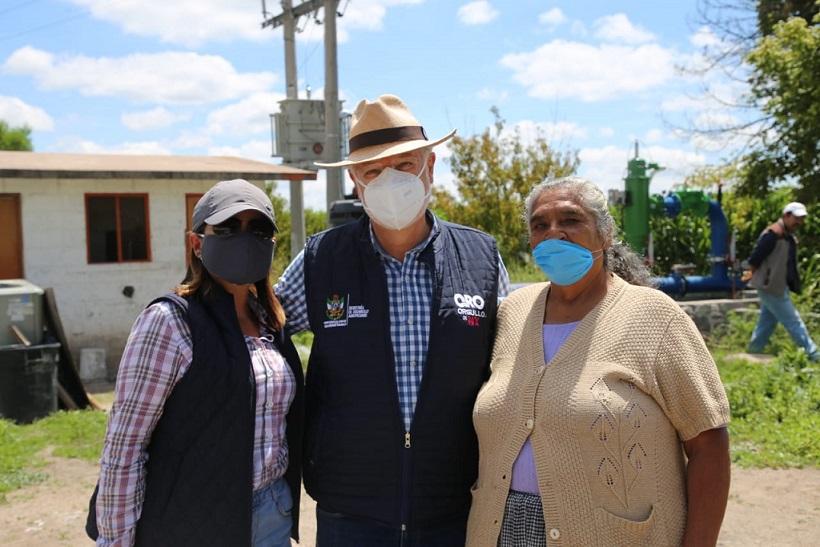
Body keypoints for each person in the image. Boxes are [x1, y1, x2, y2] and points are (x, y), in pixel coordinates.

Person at [275, 94, 509, 546]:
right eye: (373, 171)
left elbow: (514, 365)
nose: (390, 182)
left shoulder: (481, 259)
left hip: (454, 505)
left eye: (404, 165)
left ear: (431, 166)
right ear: (354, 182)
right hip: (350, 509)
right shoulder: (322, 261)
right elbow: (262, 335)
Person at [467, 176, 731, 546]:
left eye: (571, 220)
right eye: (540, 225)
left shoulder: (653, 317)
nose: (554, 233)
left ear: (605, 235)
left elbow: (709, 442)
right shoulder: (513, 312)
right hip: (501, 530)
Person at [91, 179, 304, 546]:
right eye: (226, 228)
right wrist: (115, 539)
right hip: (192, 522)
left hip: (272, 514)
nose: (243, 237)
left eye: (258, 229)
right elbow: (126, 443)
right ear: (196, 243)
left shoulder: (272, 322)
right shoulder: (170, 322)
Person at [743, 202, 817, 361]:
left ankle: (755, 348)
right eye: (796, 218)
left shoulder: (788, 237)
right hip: (770, 286)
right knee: (793, 320)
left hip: (777, 286)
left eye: (801, 219)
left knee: (767, 321)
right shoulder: (773, 234)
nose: (799, 222)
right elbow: (755, 258)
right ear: (786, 216)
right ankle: (813, 354)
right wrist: (749, 276)